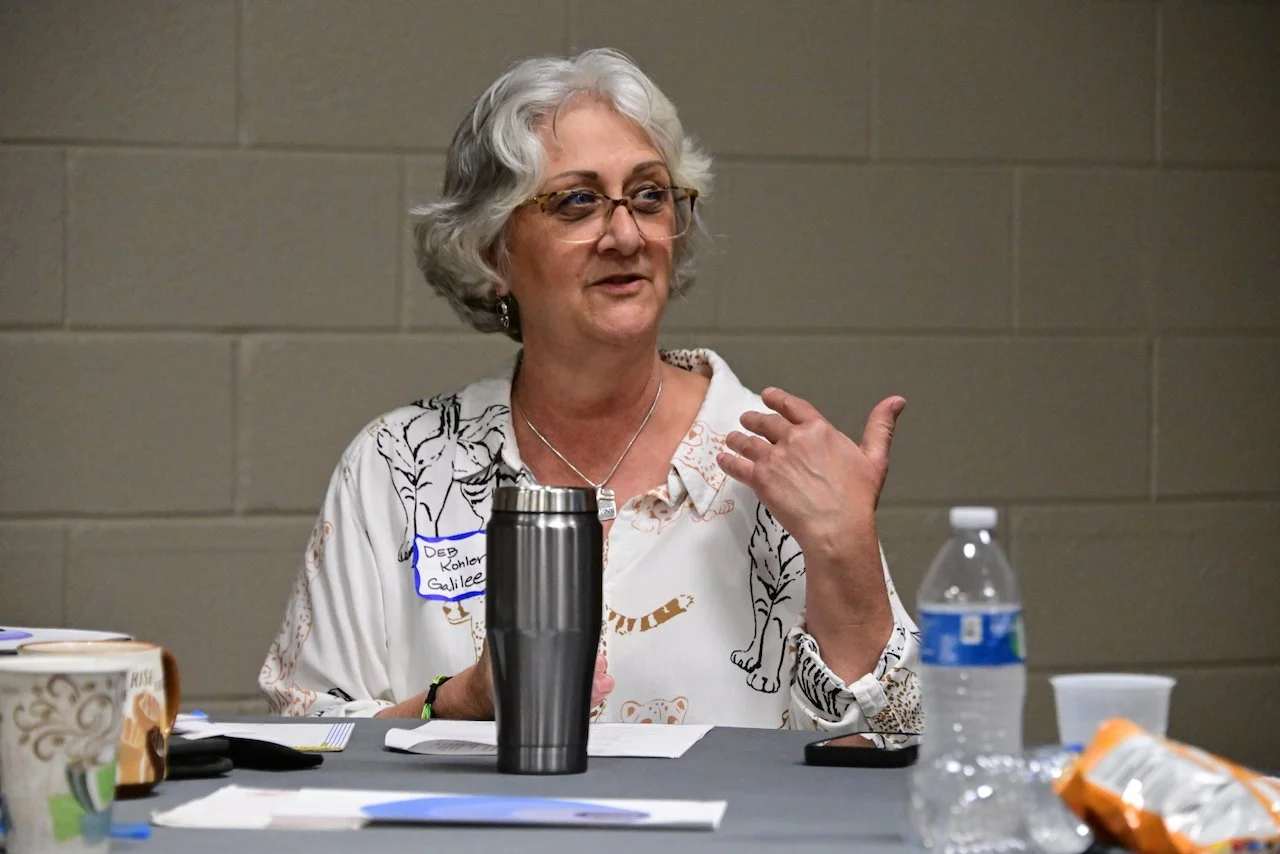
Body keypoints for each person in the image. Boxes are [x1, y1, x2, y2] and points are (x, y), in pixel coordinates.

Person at [259, 48, 921, 735]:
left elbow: (898, 758)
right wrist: (460, 701)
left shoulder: (775, 466)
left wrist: (847, 552)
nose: (626, 234)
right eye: (577, 201)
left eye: (649, 195)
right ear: (492, 253)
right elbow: (307, 744)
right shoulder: (398, 468)